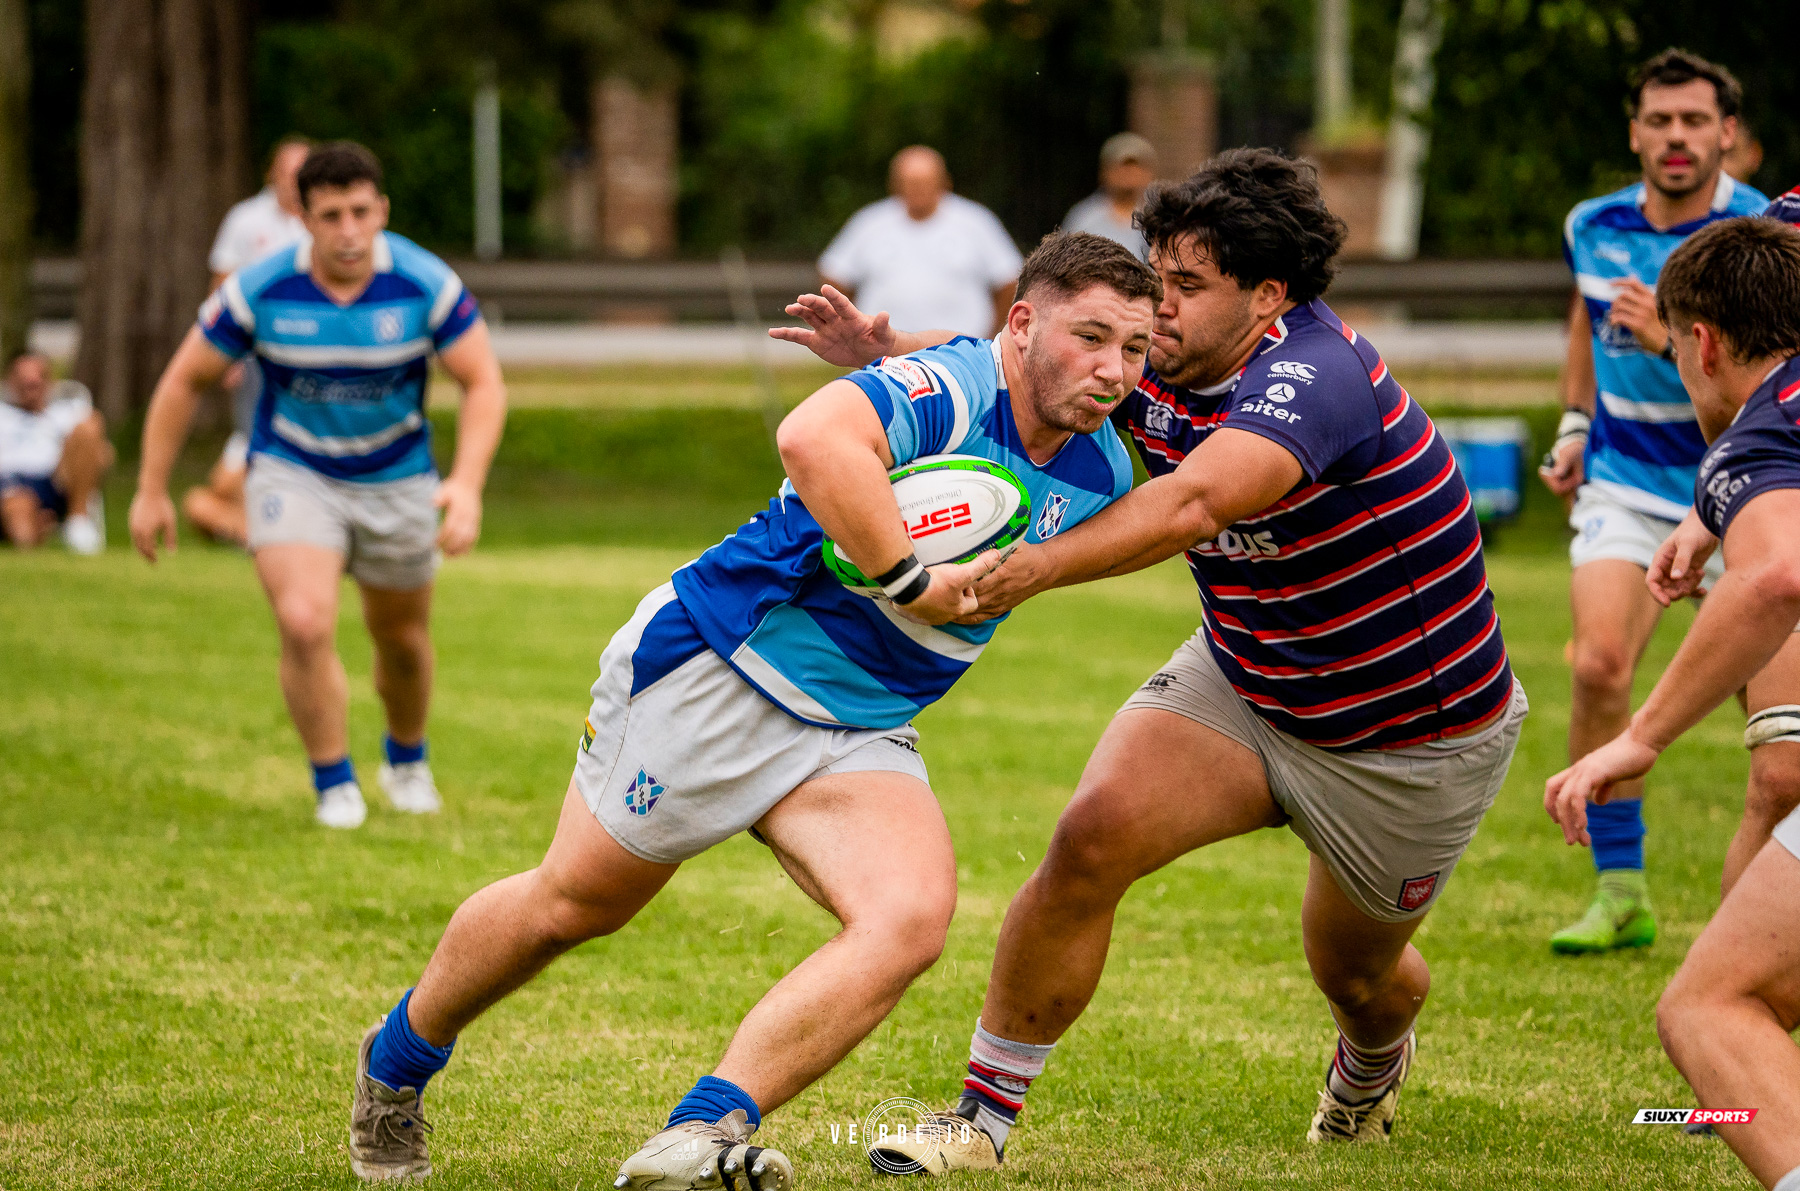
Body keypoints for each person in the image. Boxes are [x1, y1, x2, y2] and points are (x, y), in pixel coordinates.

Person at [337, 233, 1157, 1188]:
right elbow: (813, 437)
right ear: (1020, 324)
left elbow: (1173, 500)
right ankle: (395, 1063)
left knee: (908, 918)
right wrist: (909, 580)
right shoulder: (952, 387)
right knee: (573, 903)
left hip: (861, 719)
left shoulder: (1104, 465)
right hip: (723, 665)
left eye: (1135, 348)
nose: (1114, 370)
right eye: (1090, 337)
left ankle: (700, 1132)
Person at [777, 148, 1526, 1164]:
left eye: (1186, 285)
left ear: (1268, 297)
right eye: (1156, 272)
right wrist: (890, 347)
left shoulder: (1320, 376)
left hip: (1405, 734)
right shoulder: (1151, 358)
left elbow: (1193, 503)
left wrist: (1034, 567)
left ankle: (1371, 1058)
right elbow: (1040, 355)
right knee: (1088, 842)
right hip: (1244, 680)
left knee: (1354, 973)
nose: (1156, 305)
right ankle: (981, 1122)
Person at [128, 141, 507, 829]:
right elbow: (184, 379)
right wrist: (151, 489)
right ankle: (335, 783)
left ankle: (407, 761)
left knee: (401, 639)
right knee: (303, 621)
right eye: (331, 216)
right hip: (293, 471)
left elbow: (482, 380)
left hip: (398, 479)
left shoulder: (425, 283)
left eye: (361, 212)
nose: (348, 231)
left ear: (382, 210)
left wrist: (468, 483)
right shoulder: (259, 289)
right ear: (303, 219)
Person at [1546, 215, 1800, 1191]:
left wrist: (1638, 740)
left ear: (1699, 343)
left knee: (1707, 1008)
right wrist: (1710, 514)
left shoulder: (1754, 433)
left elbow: (1774, 576)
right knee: (1779, 775)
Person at [1536, 48, 1767, 955]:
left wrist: (1667, 333)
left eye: (1695, 121)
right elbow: (1584, 321)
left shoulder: (1764, 233)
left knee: (1772, 719)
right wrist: (1572, 424)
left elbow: (1773, 375)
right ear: (1634, 132)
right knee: (1598, 666)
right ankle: (1621, 892)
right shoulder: (1592, 224)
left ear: (1727, 133)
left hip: (1747, 484)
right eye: (1660, 120)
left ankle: (1762, 916)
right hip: (1626, 481)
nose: (1677, 137)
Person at [183, 136, 313, 546]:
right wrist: (226, 353)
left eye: (302, 173)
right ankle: (260, 528)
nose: (294, 182)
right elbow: (222, 289)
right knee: (220, 483)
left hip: (314, 355)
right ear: (271, 174)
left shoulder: (325, 222)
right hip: (259, 354)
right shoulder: (245, 220)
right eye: (287, 172)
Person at [818, 145, 1023, 338]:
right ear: (894, 185)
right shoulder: (869, 222)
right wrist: (855, 327)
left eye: (925, 182)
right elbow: (834, 273)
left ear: (945, 182)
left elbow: (1009, 278)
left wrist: (993, 335)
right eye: (910, 182)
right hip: (883, 350)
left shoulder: (976, 222)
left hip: (961, 350)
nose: (918, 189)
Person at [0, 351, 112, 554]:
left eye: (38, 378)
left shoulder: (68, 412)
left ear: (49, 380)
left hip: (58, 482)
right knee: (19, 509)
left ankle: (78, 520)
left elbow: (105, 456)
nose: (32, 383)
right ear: (11, 381)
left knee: (90, 426)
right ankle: (33, 535)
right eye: (24, 379)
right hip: (11, 485)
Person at [1061, 132, 1157, 260]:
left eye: (1135, 168)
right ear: (1104, 172)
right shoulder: (1084, 218)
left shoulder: (1157, 219)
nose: (1128, 174)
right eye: (1122, 167)